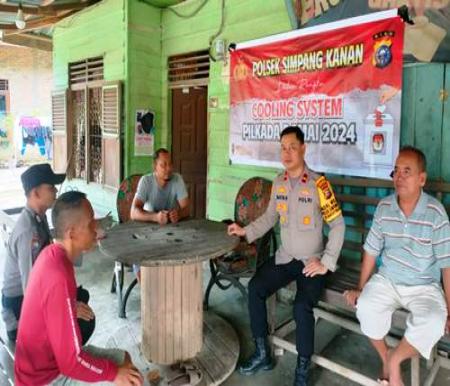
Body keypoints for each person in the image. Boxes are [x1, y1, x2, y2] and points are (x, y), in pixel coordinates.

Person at [228, 126, 345, 386]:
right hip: (285, 257)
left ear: (303, 148)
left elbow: (338, 225)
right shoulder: (279, 182)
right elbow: (270, 217)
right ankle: (262, 354)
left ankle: (302, 370)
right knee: (256, 287)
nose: (287, 152)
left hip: (311, 261)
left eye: (292, 147)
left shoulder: (319, 184)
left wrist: (326, 262)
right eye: (283, 147)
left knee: (302, 306)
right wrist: (244, 231)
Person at [344, 146, 450, 386]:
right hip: (387, 280)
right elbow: (371, 250)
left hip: (424, 285)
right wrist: (361, 288)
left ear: (422, 179)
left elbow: (446, 265)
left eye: (407, 171)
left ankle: (393, 361)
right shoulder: (384, 207)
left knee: (434, 319)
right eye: (396, 171)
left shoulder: (436, 213)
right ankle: (386, 358)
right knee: (366, 307)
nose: (399, 177)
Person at [14, 191, 143, 386]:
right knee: (126, 378)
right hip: (44, 379)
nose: (96, 230)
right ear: (71, 233)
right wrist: (113, 374)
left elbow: (48, 303)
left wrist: (70, 306)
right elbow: (71, 362)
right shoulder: (57, 274)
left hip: (48, 364)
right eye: (91, 224)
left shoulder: (54, 255)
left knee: (123, 358)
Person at [1, 163, 95, 344]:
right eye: (51, 187)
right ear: (35, 193)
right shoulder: (28, 231)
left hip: (30, 296)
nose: (55, 191)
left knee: (81, 297)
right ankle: (62, 361)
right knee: (84, 321)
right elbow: (31, 291)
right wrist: (68, 308)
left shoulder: (39, 217)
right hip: (20, 313)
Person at [130, 148, 189, 225]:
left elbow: (187, 208)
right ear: (155, 167)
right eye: (163, 165)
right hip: (148, 227)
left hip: (172, 227)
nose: (168, 168)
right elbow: (133, 213)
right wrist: (156, 217)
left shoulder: (177, 179)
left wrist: (179, 214)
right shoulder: (146, 181)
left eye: (170, 164)